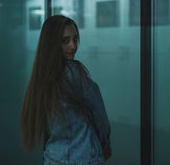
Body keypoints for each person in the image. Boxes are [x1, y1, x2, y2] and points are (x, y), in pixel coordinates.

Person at [20, 15, 112, 165]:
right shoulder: (74, 73)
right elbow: (99, 115)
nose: (73, 46)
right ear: (52, 44)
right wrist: (105, 144)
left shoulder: (42, 77)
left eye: (75, 39)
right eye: (65, 41)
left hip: (53, 157)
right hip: (84, 157)